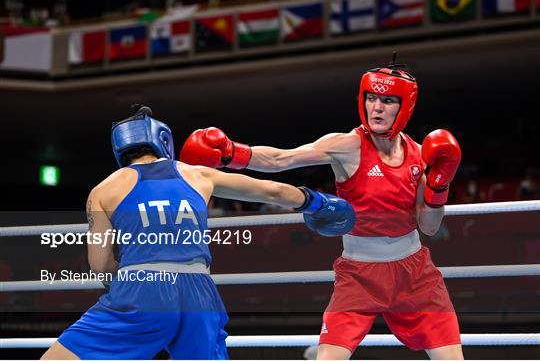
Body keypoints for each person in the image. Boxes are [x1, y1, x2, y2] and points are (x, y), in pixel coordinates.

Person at [180, 57, 464, 359]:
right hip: (359, 275)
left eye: (387, 100)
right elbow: (281, 160)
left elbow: (430, 226)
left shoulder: (420, 155)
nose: (377, 107)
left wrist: (439, 184)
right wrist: (232, 154)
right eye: (371, 98)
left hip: (415, 273)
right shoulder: (347, 145)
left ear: (404, 106)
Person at [41, 105, 355, 360]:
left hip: (142, 289)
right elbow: (271, 191)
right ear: (162, 140)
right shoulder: (196, 174)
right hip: (199, 292)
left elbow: (100, 265)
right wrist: (318, 203)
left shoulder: (103, 190)